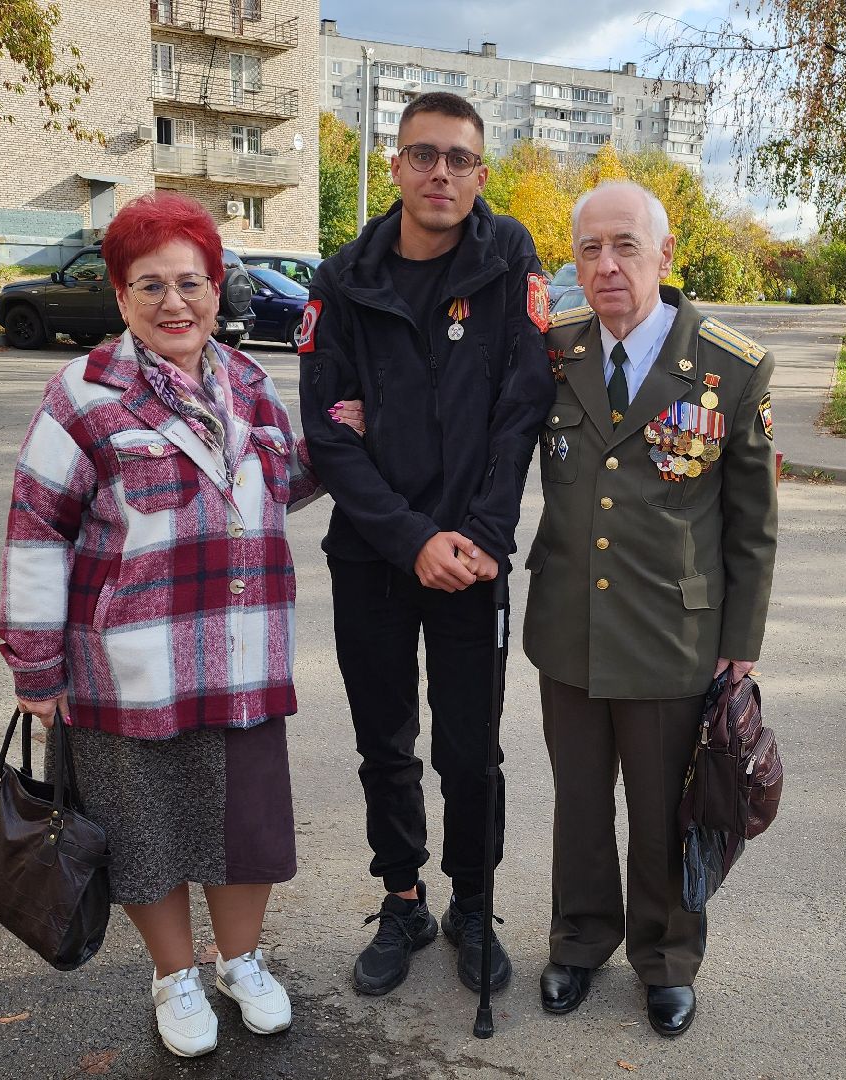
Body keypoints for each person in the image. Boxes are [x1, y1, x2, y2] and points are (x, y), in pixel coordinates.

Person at [0, 191, 358, 1059]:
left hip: (239, 656)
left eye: (190, 282)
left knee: (245, 833)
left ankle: (241, 962)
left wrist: (340, 443)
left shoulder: (242, 379)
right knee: (146, 837)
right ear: (121, 296)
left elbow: (275, 484)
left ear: (216, 287)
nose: (174, 303)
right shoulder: (81, 396)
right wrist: (36, 667)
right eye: (149, 284)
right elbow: (37, 531)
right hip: (129, 667)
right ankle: (175, 977)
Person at [298, 90, 555, 997]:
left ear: (480, 174)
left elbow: (523, 405)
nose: (439, 173)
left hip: (475, 561)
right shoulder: (342, 278)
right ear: (396, 163)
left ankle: (473, 905)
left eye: (457, 158)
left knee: (471, 751)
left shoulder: (508, 257)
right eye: (421, 155)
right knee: (386, 742)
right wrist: (412, 540)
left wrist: (482, 536)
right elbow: (329, 435)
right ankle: (403, 898)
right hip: (374, 556)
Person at [522, 181, 779, 1037]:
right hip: (569, 627)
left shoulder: (730, 367)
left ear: (664, 257)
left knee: (665, 807)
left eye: (625, 246)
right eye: (589, 249)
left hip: (677, 636)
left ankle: (667, 957)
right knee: (581, 803)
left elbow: (752, 526)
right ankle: (579, 939)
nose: (606, 266)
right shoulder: (552, 352)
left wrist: (739, 644)